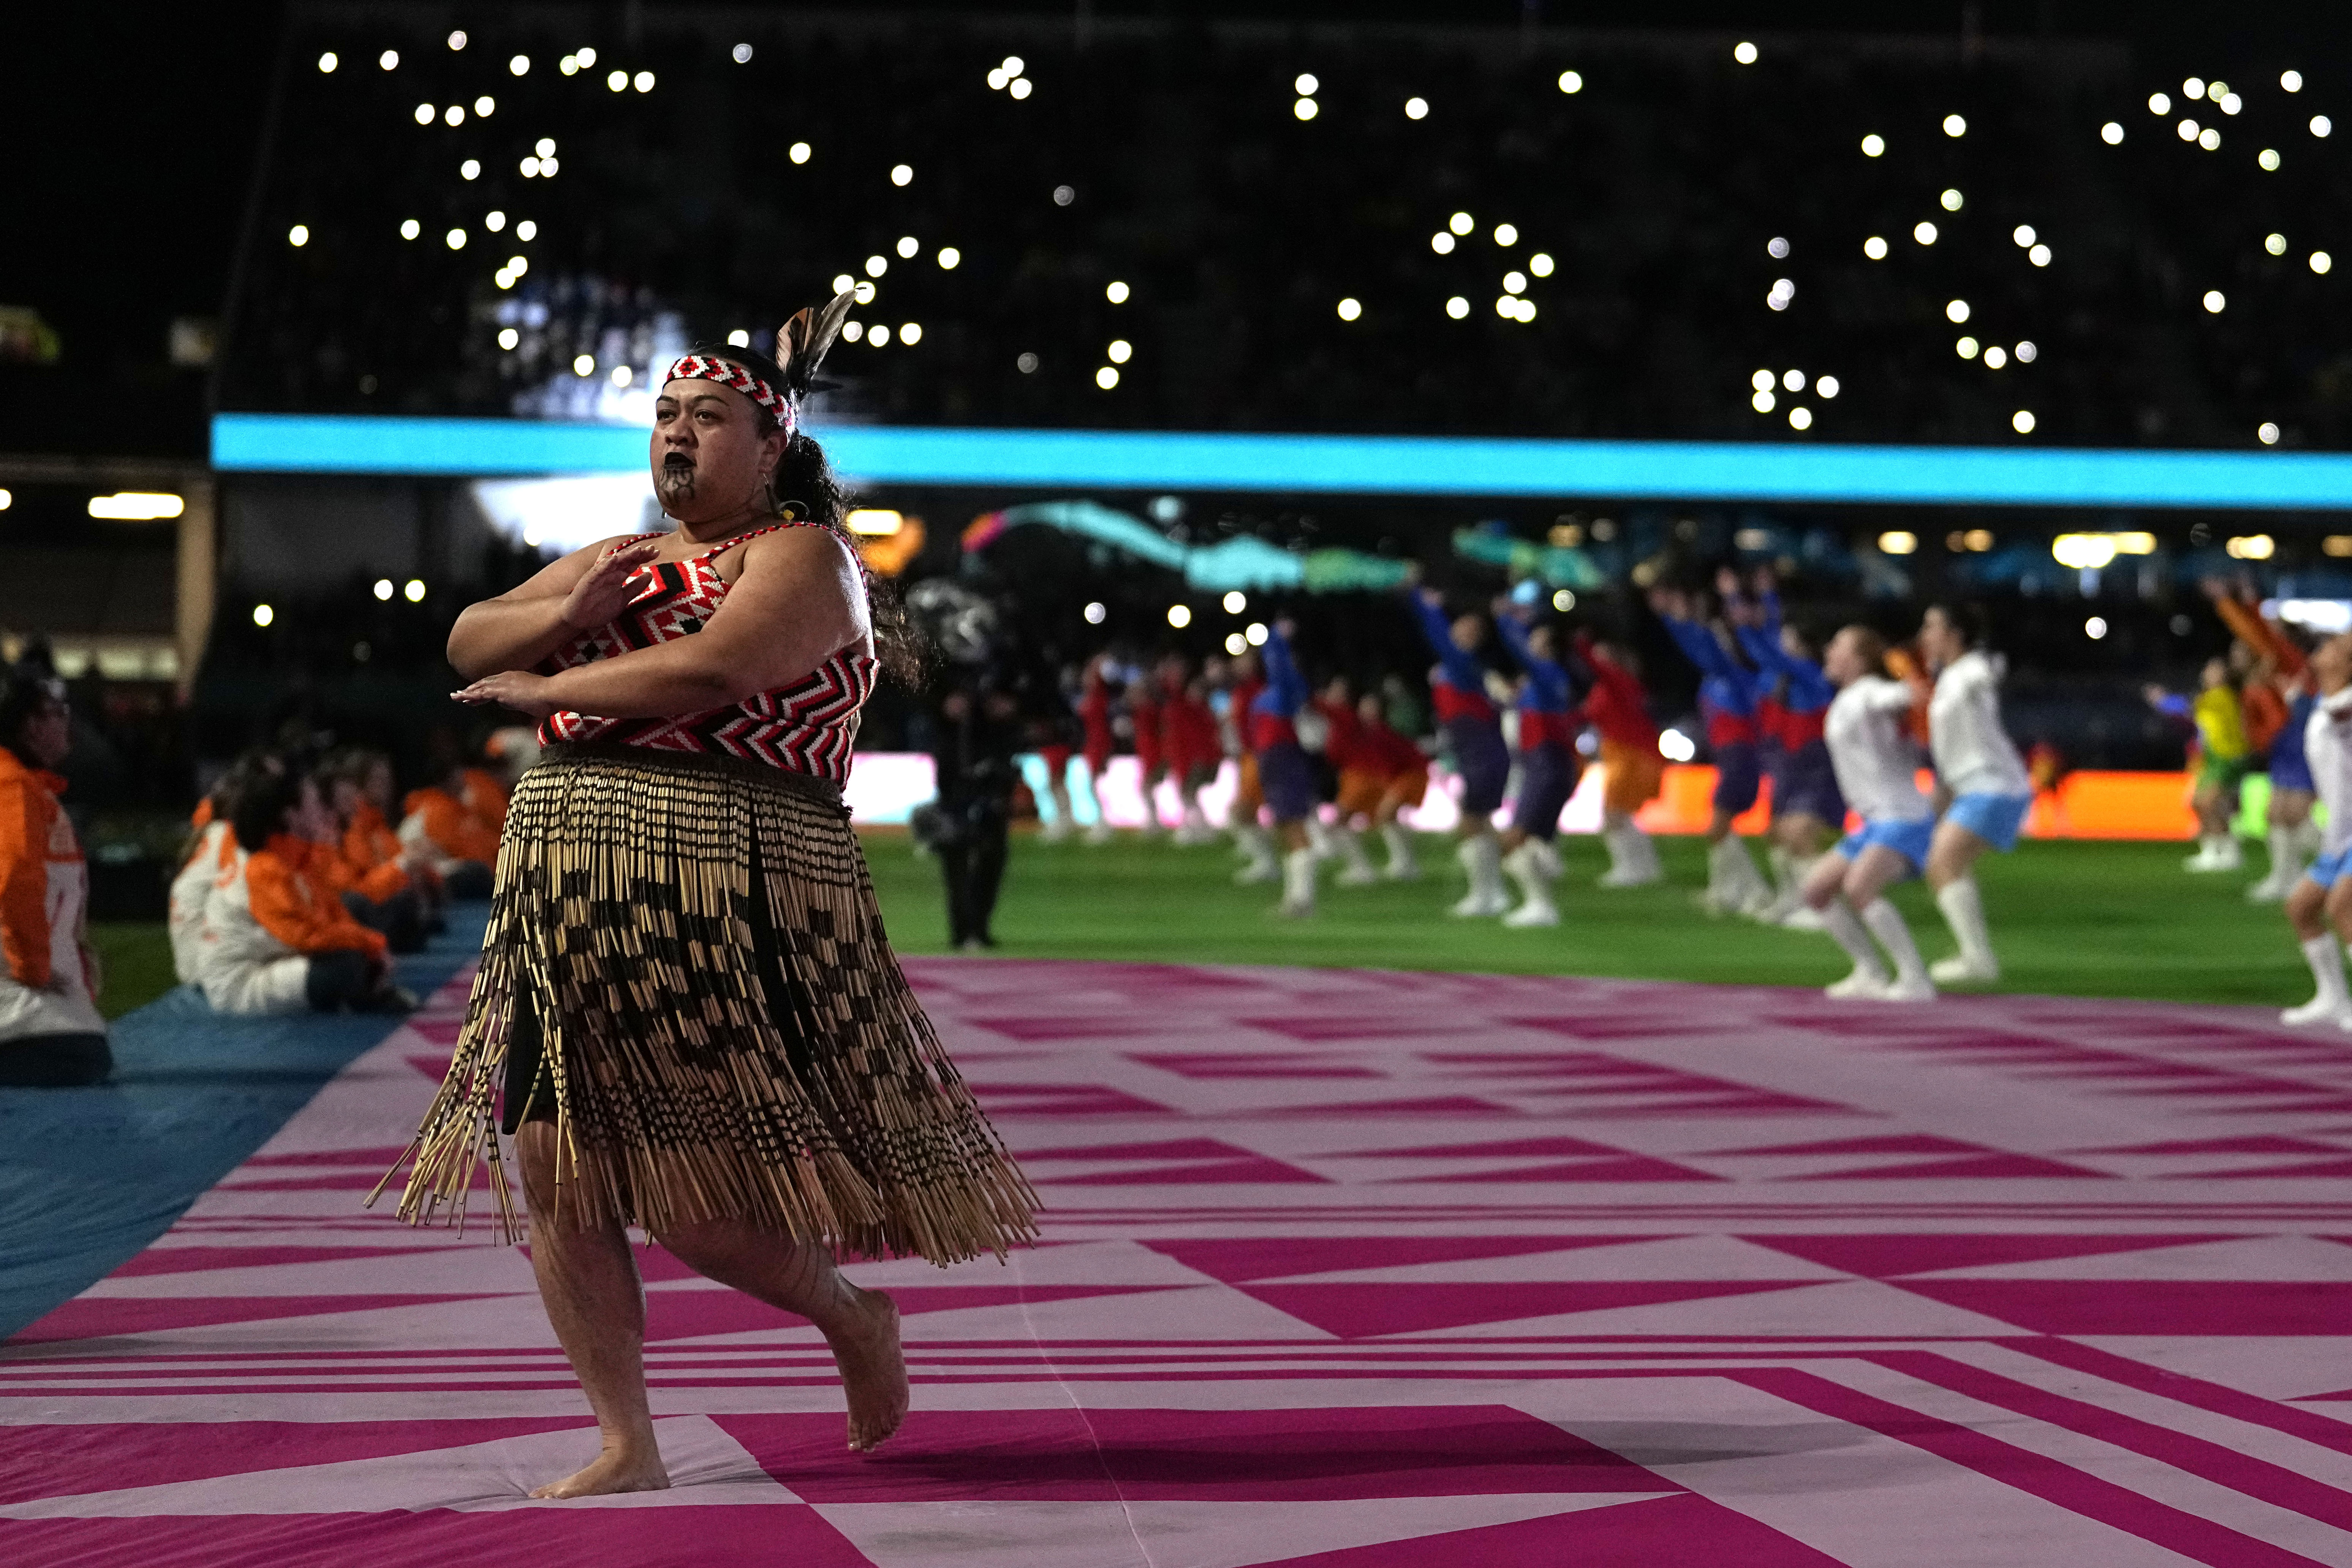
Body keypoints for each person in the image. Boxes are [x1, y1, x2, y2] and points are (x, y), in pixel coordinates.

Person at [384, 309, 1038, 1495]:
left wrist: (551, 679)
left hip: (712, 877)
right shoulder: (623, 555)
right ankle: (625, 1437)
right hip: (572, 890)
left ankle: (851, 1314)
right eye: (664, 418)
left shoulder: (802, 556)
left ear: (772, 442)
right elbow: (465, 634)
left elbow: (714, 669)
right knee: (551, 1156)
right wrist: (564, 609)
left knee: (684, 1188)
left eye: (707, 418)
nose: (676, 438)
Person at [198, 768, 413, 1016]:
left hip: (271, 958)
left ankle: (364, 992)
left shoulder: (296, 859)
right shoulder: (263, 868)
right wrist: (370, 943)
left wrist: (369, 943)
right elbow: (305, 935)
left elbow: (334, 913)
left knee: (354, 936)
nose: (322, 810)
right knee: (346, 962)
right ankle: (364, 995)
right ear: (291, 817)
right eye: (313, 804)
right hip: (242, 981)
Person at [1801, 626, 1938, 1002]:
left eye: (1838, 646)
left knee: (1859, 887)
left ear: (1859, 660)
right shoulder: (1848, 698)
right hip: (1875, 821)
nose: (1828, 651)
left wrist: (1905, 676)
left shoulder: (1868, 694)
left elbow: (1905, 695)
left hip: (1903, 817)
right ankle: (1870, 972)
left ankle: (1915, 978)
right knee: (1815, 890)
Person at [1914, 603, 2036, 985]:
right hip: (1973, 786)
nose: (1924, 634)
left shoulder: (1969, 671)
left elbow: (1985, 675)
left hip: (1993, 785)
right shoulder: (1949, 677)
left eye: (1931, 626)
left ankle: (1977, 957)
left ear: (1954, 634)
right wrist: (1940, 798)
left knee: (1942, 862)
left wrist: (1986, 670)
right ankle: (1975, 954)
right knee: (1946, 866)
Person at [0, 675, 109, 1087]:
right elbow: (15, 881)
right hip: (17, 1007)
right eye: (58, 713)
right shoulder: (12, 786)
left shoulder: (24, 788)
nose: (68, 724)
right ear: (29, 725)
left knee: (84, 1052)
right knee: (79, 1055)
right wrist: (34, 968)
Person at [1654, 581, 1773, 915]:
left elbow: (1705, 647)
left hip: (1740, 757)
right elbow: (1698, 650)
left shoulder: (1737, 676)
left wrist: (1684, 619)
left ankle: (1753, 892)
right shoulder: (1718, 678)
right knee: (1719, 828)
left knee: (1718, 827)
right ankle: (1727, 891)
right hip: (1731, 757)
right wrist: (1676, 620)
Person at [1732, 583, 1843, 929]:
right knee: (1777, 835)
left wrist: (1744, 615)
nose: (1781, 642)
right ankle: (1792, 898)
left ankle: (1821, 907)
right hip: (1785, 764)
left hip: (1814, 766)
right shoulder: (1779, 678)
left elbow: (1769, 653)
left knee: (1801, 836)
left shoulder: (1812, 676)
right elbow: (1769, 654)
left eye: (1788, 638)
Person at [2207, 581, 2319, 901]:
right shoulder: (2266, 677)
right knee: (2277, 813)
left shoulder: (2288, 662)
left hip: (2303, 742)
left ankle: (2336, 869)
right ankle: (2286, 876)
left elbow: (2255, 631)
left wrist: (2234, 602)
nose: (2240, 652)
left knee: (2294, 813)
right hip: (2285, 746)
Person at [1405, 586, 1512, 916]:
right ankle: (1494, 893)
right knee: (1480, 823)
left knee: (1470, 823)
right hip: (1477, 754)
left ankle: (1486, 896)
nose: (1461, 633)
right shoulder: (1460, 669)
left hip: (1483, 754)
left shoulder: (1465, 666)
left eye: (1470, 630)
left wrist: (1422, 604)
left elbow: (1438, 638)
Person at [1490, 597, 1588, 926]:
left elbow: (1520, 652)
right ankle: (1540, 900)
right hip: (1548, 767)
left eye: (1538, 637)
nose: (1531, 641)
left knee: (1514, 840)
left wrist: (1506, 620)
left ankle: (1541, 905)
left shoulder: (1546, 674)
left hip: (1545, 768)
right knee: (1532, 841)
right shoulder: (1548, 680)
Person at [2278, 631, 2352, 1026]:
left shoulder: (2343, 706)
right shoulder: (2323, 705)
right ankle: (2333, 999)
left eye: (2330, 647)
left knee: (2342, 907)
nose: (2318, 650)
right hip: (2339, 833)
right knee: (2301, 908)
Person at [925, 674, 1022, 950]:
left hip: (989, 804)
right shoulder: (950, 732)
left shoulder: (993, 730)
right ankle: (963, 931)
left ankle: (978, 928)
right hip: (955, 804)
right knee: (958, 870)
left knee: (988, 867)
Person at [2146, 658, 2250, 872]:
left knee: (2208, 803)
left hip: (2226, 758)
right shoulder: (2213, 698)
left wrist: (2163, 700)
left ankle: (2228, 853)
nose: (2209, 672)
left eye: (2215, 670)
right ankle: (2216, 852)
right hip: (2212, 759)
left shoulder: (2221, 696)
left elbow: (2188, 707)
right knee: (2201, 804)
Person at [1579, 632, 1665, 888]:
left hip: (1632, 754)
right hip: (1620, 753)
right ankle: (1645, 867)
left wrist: (1581, 646)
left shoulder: (1620, 682)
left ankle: (1629, 868)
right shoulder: (1606, 687)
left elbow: (1598, 671)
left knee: (1613, 813)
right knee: (1621, 813)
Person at [1250, 620, 1323, 917]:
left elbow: (1278, 665)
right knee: (1286, 827)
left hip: (1284, 760)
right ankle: (1297, 897)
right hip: (1275, 762)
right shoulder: (1274, 691)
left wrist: (1275, 638)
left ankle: (1302, 900)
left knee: (1294, 826)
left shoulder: (1290, 688)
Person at [1336, 691, 1428, 881]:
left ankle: (1379, 868)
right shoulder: (1367, 732)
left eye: (1372, 707)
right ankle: (1404, 864)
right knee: (1387, 816)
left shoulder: (1383, 731)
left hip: (1410, 774)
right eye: (1364, 707)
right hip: (1397, 776)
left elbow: (1393, 761)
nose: (1367, 711)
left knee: (1384, 814)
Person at [399, 740, 503, 897]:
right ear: (447, 781)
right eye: (458, 773)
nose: (464, 778)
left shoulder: (456, 807)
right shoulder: (436, 810)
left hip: (450, 866)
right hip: (432, 872)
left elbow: (480, 840)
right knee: (478, 872)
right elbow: (456, 848)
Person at [1310, 674, 1382, 885]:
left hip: (1360, 775)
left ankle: (1363, 869)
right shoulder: (1347, 716)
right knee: (1342, 822)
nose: (1334, 694)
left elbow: (1317, 704)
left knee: (1340, 822)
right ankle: (1363, 868)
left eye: (1339, 691)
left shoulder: (1345, 714)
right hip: (1354, 774)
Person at [1222, 649, 1277, 883]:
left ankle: (1267, 864)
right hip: (1249, 756)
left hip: (1259, 755)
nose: (1237, 664)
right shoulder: (1241, 691)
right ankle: (1267, 863)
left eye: (1243, 661)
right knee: (1245, 812)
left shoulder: (1259, 690)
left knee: (1241, 811)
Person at [1161, 658, 1223, 845]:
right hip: (1185, 756)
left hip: (1196, 757)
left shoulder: (1198, 710)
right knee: (1187, 794)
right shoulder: (1185, 706)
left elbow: (1203, 737)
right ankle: (1198, 829)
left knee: (1187, 793)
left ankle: (1199, 829)